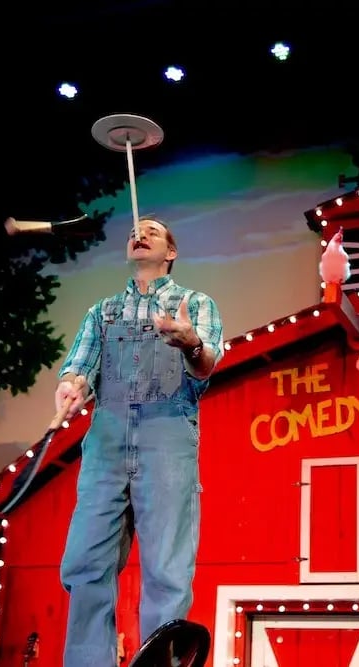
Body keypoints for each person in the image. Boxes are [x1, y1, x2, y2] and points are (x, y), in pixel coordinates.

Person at [54, 216, 224, 667]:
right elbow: (78, 367)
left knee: (167, 571)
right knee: (86, 564)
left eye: (153, 231)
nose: (140, 234)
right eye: (135, 231)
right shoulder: (101, 312)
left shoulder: (195, 303)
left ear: (170, 252)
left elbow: (206, 365)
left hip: (165, 438)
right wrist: (70, 387)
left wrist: (189, 342)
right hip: (106, 444)